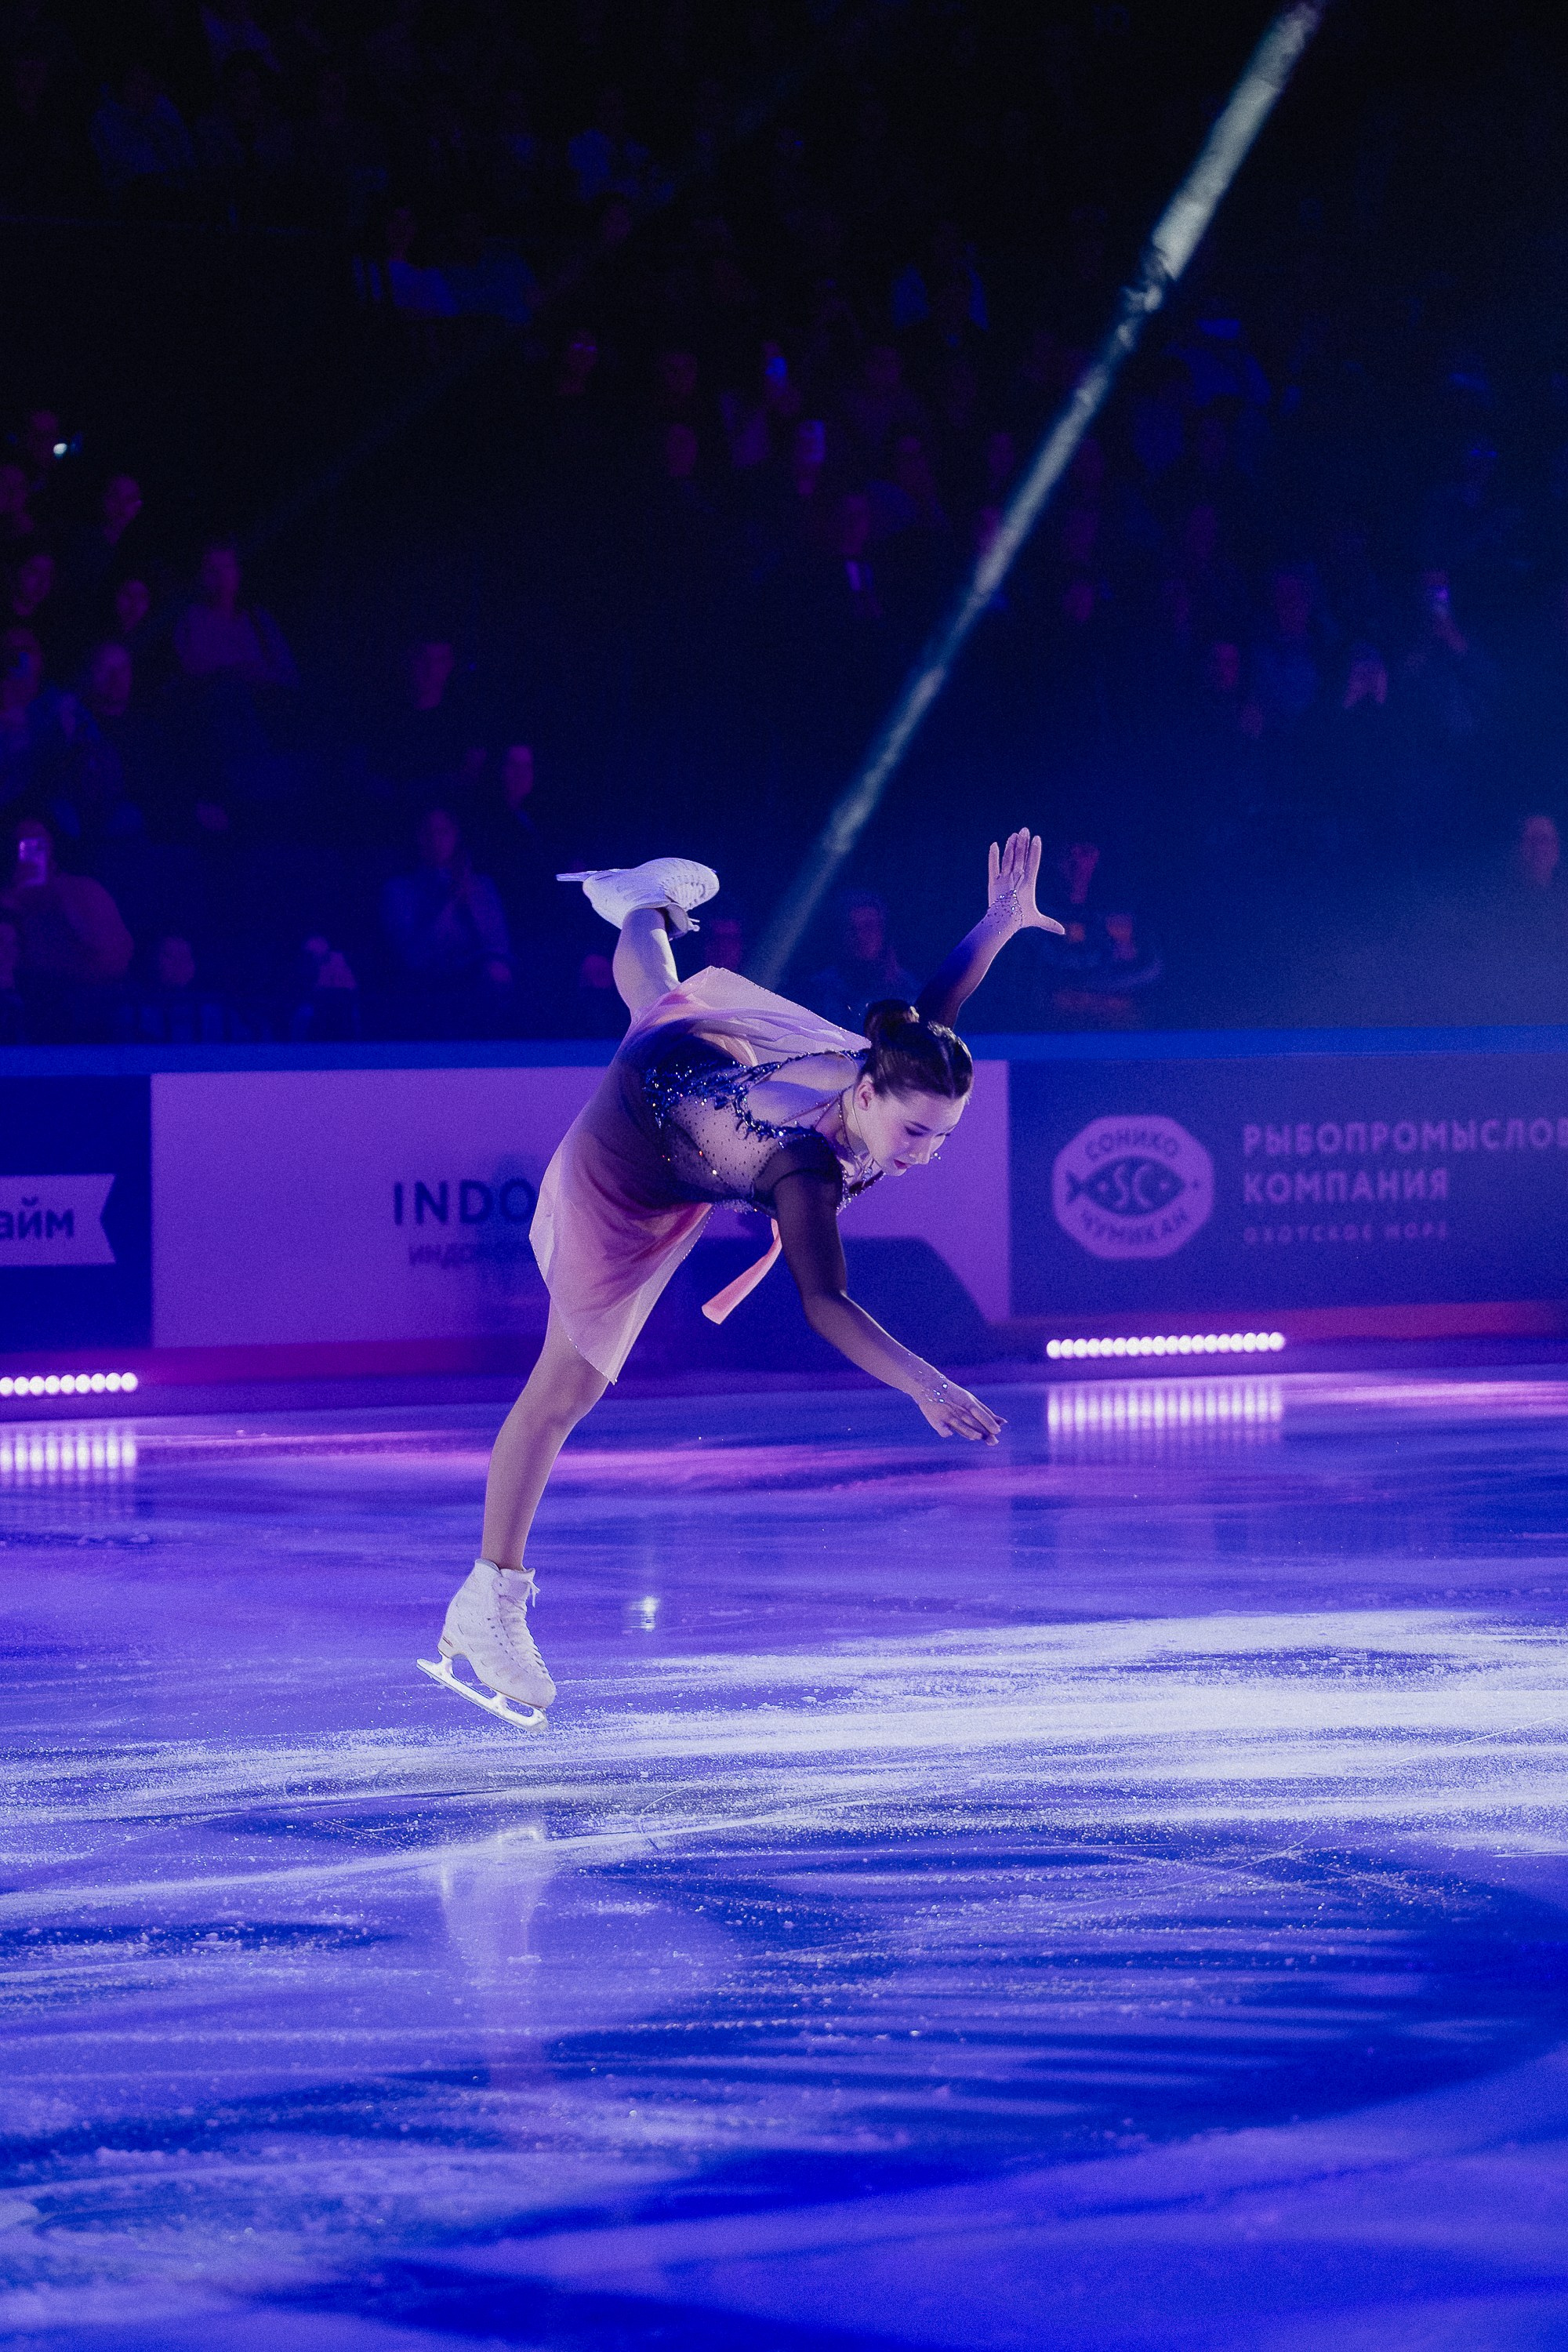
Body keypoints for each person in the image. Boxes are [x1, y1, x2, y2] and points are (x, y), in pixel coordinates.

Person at [421, 833, 1062, 1728]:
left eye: (943, 1139)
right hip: (636, 1151)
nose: (924, 1157)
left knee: (661, 1001)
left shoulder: (892, 1067)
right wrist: (926, 1382)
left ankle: (637, 901)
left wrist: (997, 924)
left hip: (704, 1066)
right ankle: (487, 1598)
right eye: (915, 1135)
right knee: (565, 1385)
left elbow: (936, 1005)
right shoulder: (803, 1166)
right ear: (868, 1098)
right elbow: (822, 1301)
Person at [803, 887, 919, 1031]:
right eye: (852, 929)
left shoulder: (909, 991)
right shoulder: (818, 990)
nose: (860, 937)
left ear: (884, 932)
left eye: (868, 927)